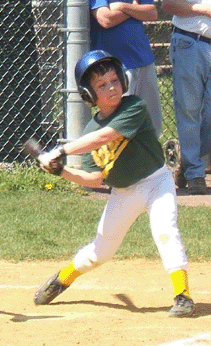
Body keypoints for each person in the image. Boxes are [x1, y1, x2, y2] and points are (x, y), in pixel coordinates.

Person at [33, 50, 195, 317]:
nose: (111, 88)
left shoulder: (134, 107)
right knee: (100, 252)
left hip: (157, 182)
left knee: (165, 230)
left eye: (114, 81)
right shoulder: (87, 133)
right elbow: (94, 179)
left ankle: (183, 296)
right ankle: (63, 278)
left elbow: (105, 136)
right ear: (88, 94)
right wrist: (60, 171)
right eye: (101, 85)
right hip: (124, 193)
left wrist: (61, 151)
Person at [90, 0, 163, 137]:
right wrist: (136, 10)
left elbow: (152, 12)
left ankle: (151, 157)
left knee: (152, 125)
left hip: (143, 59)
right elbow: (106, 19)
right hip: (114, 70)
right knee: (120, 126)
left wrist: (122, 7)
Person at [161, 0, 211, 195]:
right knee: (189, 111)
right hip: (190, 42)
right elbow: (169, 5)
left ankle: (188, 160)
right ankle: (194, 174)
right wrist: (204, 9)